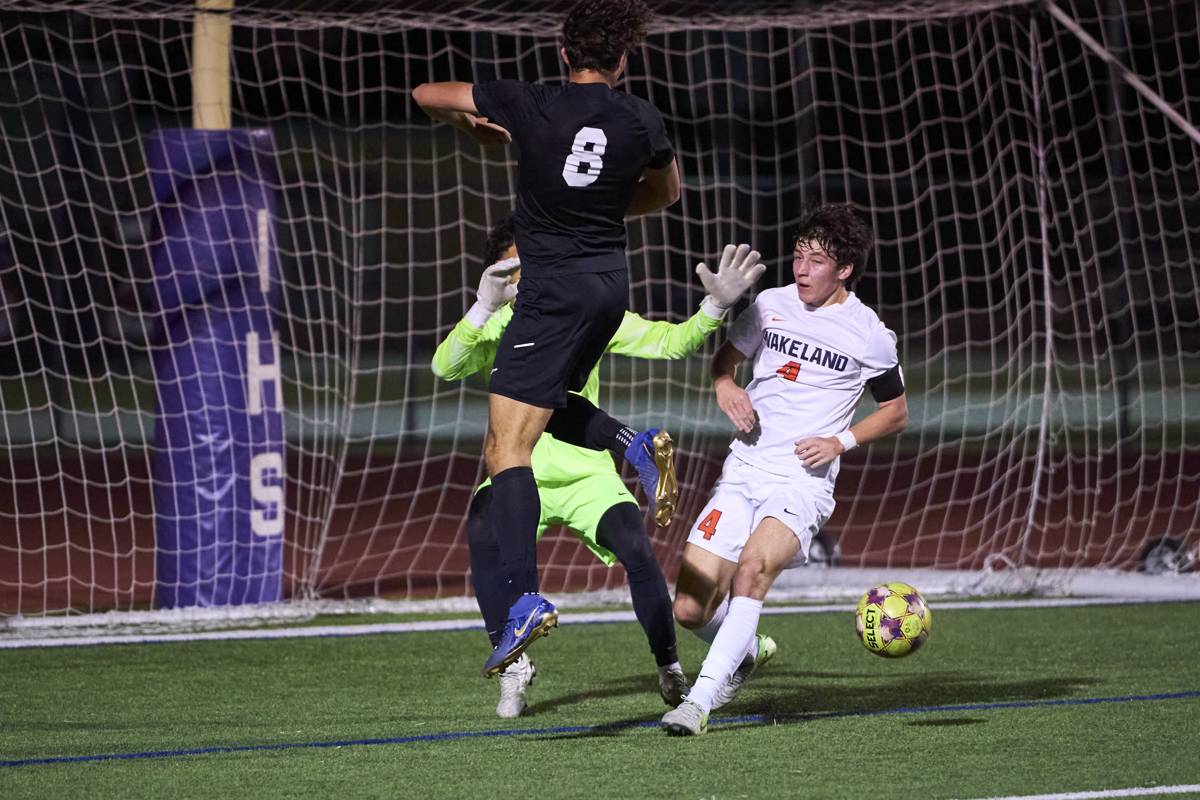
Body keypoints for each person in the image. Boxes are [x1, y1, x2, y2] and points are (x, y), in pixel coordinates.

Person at [414, 0, 683, 677]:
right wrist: (598, 201)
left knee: (506, 446)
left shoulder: (526, 102)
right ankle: (633, 445)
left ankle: (525, 602)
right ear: (623, 61)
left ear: (564, 55)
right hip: (607, 288)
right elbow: (667, 193)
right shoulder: (639, 117)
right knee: (552, 405)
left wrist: (467, 122)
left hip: (551, 290)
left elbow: (425, 93)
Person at [433, 217, 765, 717]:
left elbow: (671, 343)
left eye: (536, 260)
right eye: (516, 267)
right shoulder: (499, 326)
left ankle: (669, 666)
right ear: (500, 276)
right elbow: (445, 366)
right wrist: (483, 307)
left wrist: (715, 306)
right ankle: (513, 664)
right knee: (482, 525)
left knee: (637, 548)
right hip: (521, 469)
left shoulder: (581, 315)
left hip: (588, 472)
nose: (532, 273)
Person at [660, 203, 909, 736]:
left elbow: (896, 411)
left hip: (802, 483)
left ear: (844, 269)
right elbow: (726, 360)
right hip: (743, 469)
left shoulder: (869, 333)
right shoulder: (771, 305)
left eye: (816, 261)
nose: (801, 269)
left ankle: (699, 703)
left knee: (752, 571)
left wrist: (839, 441)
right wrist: (726, 386)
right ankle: (745, 651)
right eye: (798, 256)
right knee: (687, 609)